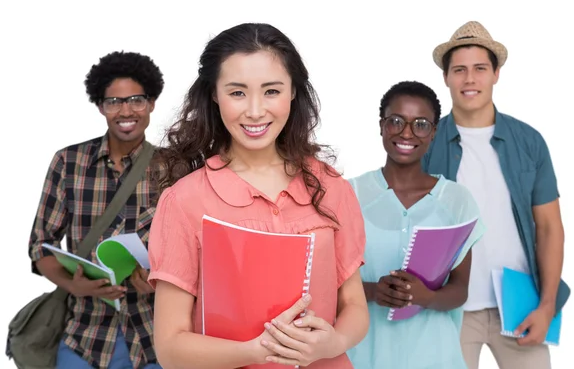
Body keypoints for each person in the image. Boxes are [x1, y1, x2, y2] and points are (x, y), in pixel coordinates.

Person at [147, 22, 370, 369]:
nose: (254, 111)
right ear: (213, 94)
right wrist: (256, 350)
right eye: (237, 92)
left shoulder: (331, 187)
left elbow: (355, 306)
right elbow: (171, 348)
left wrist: (334, 342)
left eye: (271, 91)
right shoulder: (185, 201)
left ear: (294, 91)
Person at [423, 21, 570, 369]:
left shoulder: (529, 142)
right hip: (449, 311)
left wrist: (547, 305)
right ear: (446, 77)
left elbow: (550, 227)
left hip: (521, 307)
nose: (469, 79)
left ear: (496, 74)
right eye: (459, 70)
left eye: (479, 69)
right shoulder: (425, 143)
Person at [28, 51, 165, 369]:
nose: (126, 110)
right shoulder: (68, 162)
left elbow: (194, 252)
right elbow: (40, 244)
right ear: (101, 106)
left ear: (152, 102)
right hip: (84, 339)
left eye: (136, 100)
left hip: (154, 340)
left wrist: (159, 279)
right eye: (114, 101)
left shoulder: (174, 167)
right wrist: (71, 284)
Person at [345, 81, 484, 369]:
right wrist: (372, 291)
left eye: (421, 124)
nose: (406, 133)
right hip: (363, 358)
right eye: (396, 121)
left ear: (433, 133)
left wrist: (426, 297)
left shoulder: (457, 200)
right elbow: (323, 283)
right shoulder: (347, 195)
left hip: (436, 358)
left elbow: (459, 291)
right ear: (381, 126)